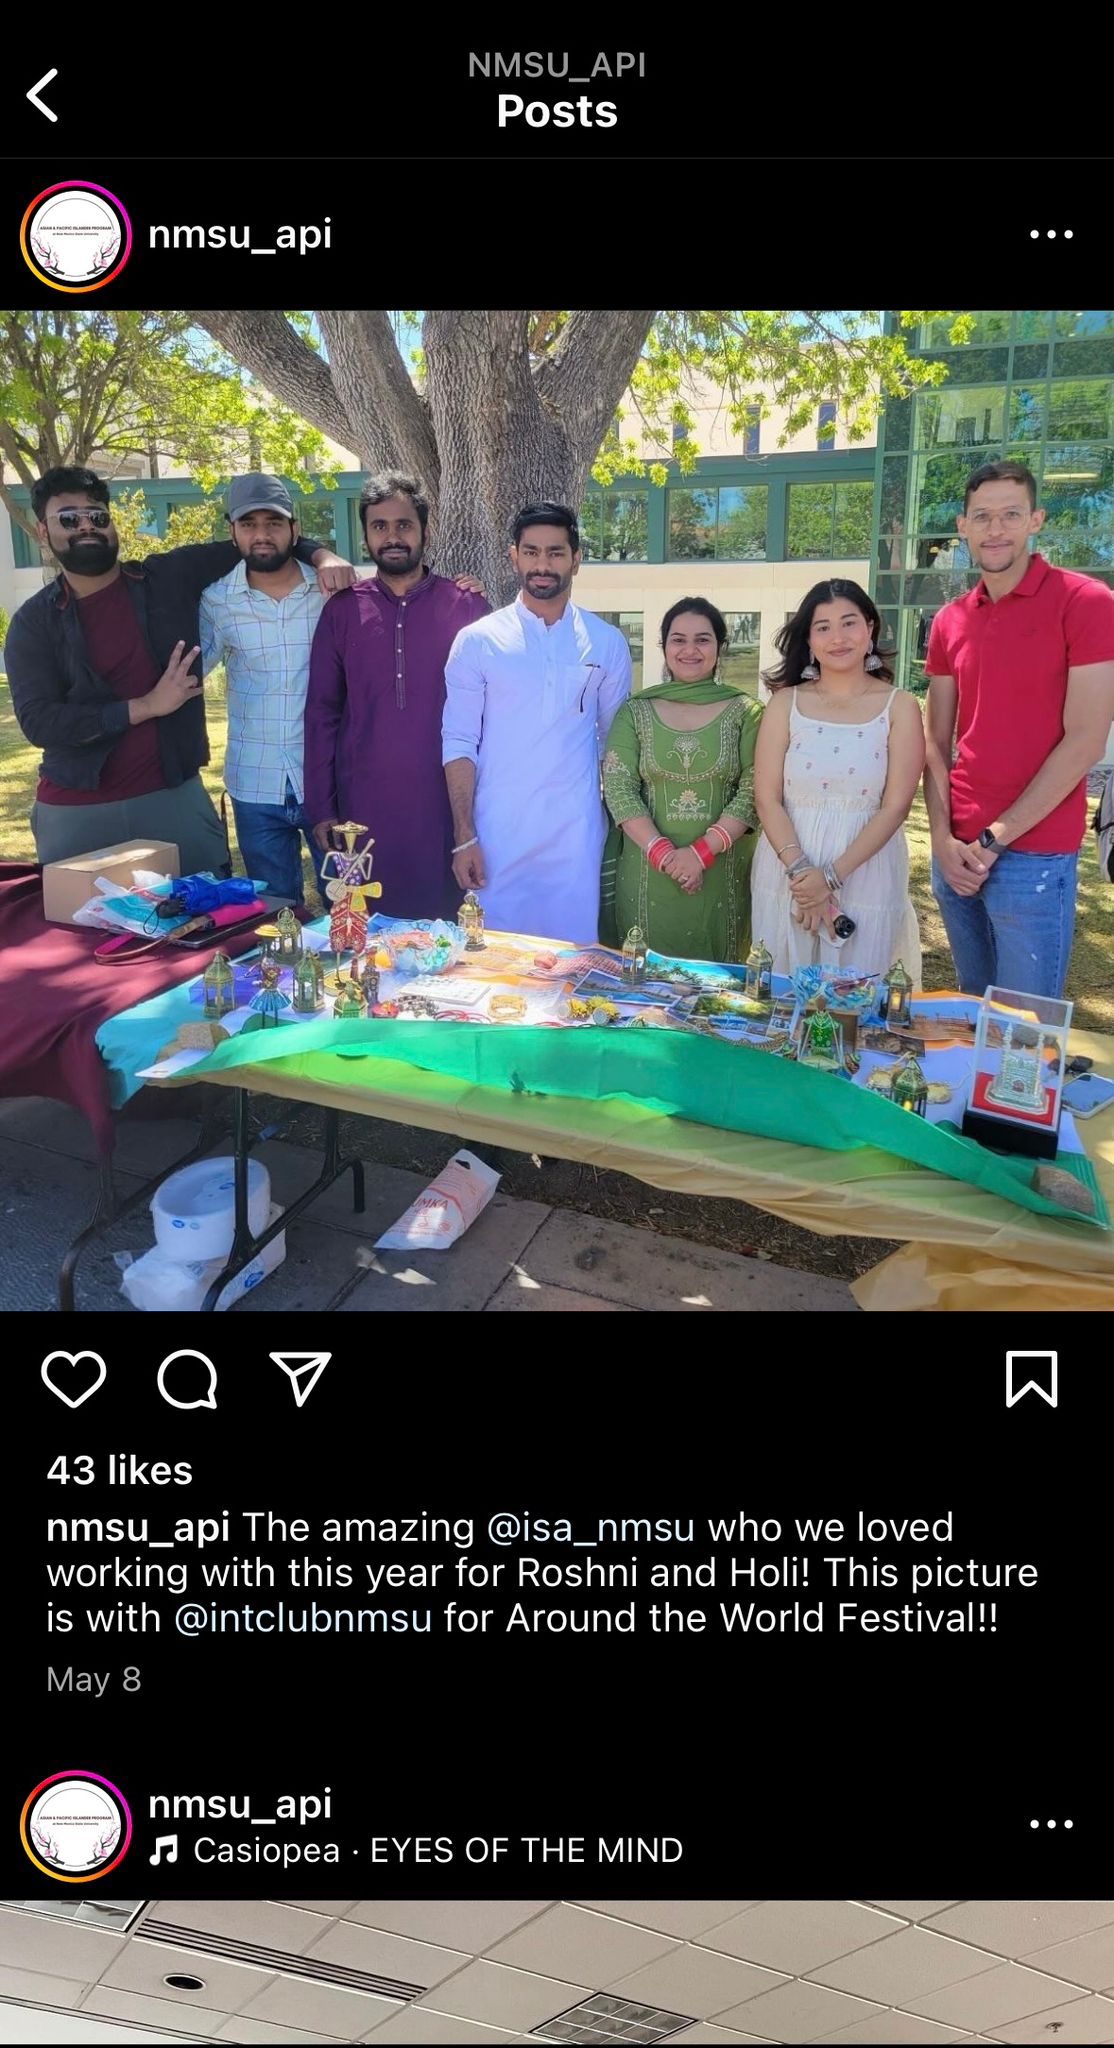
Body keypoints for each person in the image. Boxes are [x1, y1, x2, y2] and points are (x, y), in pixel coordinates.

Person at [5, 466, 351, 876]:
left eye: (97, 516)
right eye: (68, 518)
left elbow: (259, 544)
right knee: (82, 930)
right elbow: (39, 722)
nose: (86, 526)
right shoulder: (34, 623)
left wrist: (321, 553)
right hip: (78, 804)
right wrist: (146, 706)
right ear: (43, 532)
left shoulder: (165, 578)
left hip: (171, 796)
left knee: (212, 923)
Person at [924, 459, 1114, 999]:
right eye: (982, 516)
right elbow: (935, 741)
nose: (996, 529)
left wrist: (992, 840)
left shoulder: (1086, 603)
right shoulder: (950, 620)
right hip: (956, 850)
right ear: (962, 527)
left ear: (1036, 519)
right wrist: (942, 839)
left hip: (1032, 855)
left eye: (1011, 514)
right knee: (969, 1019)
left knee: (1024, 1035)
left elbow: (1085, 741)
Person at [442, 503, 632, 945]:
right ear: (514, 557)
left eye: (555, 553)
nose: (542, 565)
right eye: (531, 552)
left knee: (569, 966)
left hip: (575, 838)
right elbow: (458, 740)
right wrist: (464, 836)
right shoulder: (477, 641)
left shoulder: (606, 642)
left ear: (577, 559)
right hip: (497, 834)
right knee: (492, 962)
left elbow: (615, 744)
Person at [303, 472, 490, 921]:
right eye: (379, 526)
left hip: (444, 808)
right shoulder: (343, 611)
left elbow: (493, 714)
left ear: (426, 531)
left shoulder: (466, 607)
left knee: (448, 935)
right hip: (362, 809)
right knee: (363, 932)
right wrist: (322, 808)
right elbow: (321, 713)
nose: (392, 537)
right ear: (365, 534)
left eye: (404, 525)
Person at [750, 579, 925, 976]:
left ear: (870, 629)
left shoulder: (900, 707)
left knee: (855, 1001)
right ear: (809, 640)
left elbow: (896, 806)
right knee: (781, 995)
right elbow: (767, 798)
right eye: (823, 627)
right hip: (787, 869)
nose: (838, 637)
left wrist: (829, 879)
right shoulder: (784, 703)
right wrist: (803, 877)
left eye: (849, 623)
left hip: (865, 870)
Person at [199, 475, 340, 905]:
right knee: (275, 916)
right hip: (254, 783)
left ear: (295, 530)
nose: (262, 534)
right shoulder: (217, 600)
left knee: (348, 905)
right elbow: (192, 668)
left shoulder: (332, 589)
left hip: (328, 781)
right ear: (233, 532)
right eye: (249, 524)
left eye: (274, 522)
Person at [600, 598, 761, 961]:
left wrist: (700, 854)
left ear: (721, 648)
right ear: (664, 646)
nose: (690, 650)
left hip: (722, 871)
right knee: (644, 988)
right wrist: (666, 855)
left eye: (703, 640)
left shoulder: (747, 713)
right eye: (678, 640)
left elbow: (755, 789)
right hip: (646, 871)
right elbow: (619, 787)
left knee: (718, 996)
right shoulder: (635, 710)